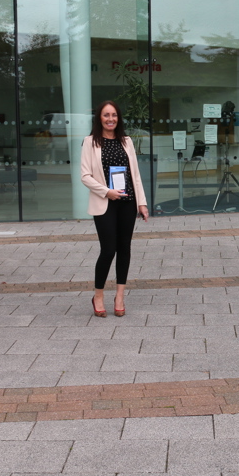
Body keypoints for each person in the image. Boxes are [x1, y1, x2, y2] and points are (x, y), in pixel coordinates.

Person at [81, 101, 149, 317]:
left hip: (127, 202)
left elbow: (135, 175)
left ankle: (120, 295)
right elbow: (85, 176)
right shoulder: (90, 142)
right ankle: (98, 295)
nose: (110, 119)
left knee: (125, 249)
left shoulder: (126, 141)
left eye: (114, 115)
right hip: (105, 202)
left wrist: (142, 202)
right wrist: (106, 191)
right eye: (106, 115)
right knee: (108, 250)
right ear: (99, 118)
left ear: (118, 118)